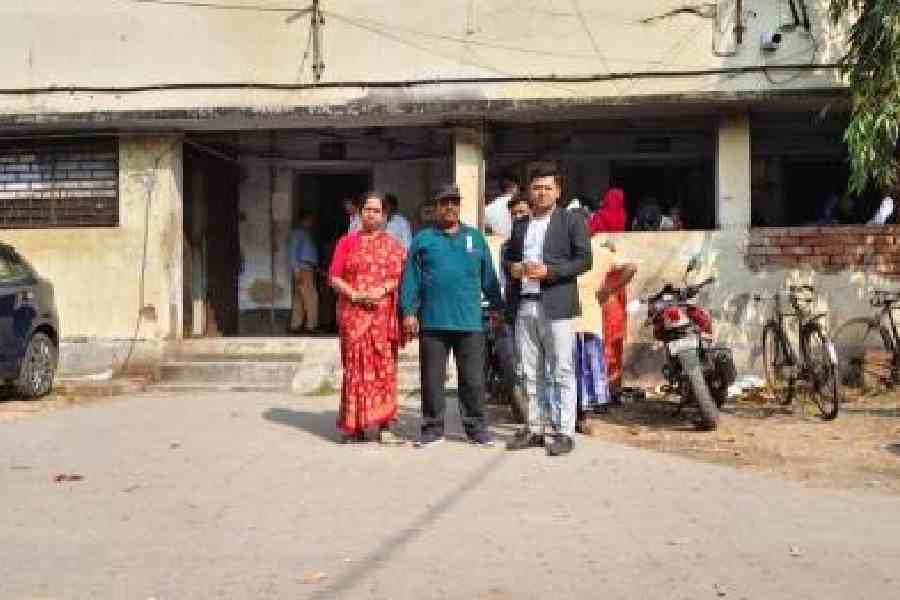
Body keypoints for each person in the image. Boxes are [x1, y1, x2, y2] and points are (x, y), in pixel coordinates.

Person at [400, 183, 502, 448]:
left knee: (473, 380)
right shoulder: (423, 239)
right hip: (433, 321)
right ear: (435, 208)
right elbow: (410, 278)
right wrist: (409, 312)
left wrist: (498, 307)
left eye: (454, 202)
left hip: (470, 321)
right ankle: (432, 428)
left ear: (459, 206)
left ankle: (477, 429)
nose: (450, 207)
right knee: (432, 379)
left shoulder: (475, 238)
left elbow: (489, 277)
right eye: (444, 202)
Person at [504, 164, 592, 456]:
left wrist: (550, 272)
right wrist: (513, 269)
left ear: (558, 191)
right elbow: (509, 259)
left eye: (547, 188)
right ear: (528, 191)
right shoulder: (521, 225)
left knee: (562, 369)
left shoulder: (571, 221)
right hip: (525, 305)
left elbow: (583, 261)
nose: (541, 193)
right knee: (530, 371)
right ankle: (535, 428)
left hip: (557, 305)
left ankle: (564, 432)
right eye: (536, 187)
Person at [329, 192, 406, 444]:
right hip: (354, 316)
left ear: (384, 215)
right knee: (355, 371)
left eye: (376, 210)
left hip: (381, 319)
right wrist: (355, 294)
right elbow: (334, 276)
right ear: (360, 213)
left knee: (384, 370)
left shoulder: (393, 246)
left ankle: (384, 426)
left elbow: (399, 277)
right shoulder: (346, 242)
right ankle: (356, 427)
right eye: (367, 209)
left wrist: (380, 291)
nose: (371, 214)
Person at [596, 253, 637, 400]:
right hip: (605, 312)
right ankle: (608, 393)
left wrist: (610, 289)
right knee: (608, 353)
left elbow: (631, 267)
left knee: (611, 353)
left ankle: (610, 393)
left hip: (611, 312)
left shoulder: (607, 258)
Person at [289, 213, 319, 333]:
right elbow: (293, 253)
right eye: (309, 220)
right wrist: (296, 270)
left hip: (305, 268)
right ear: (304, 220)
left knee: (299, 298)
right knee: (311, 297)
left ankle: (296, 324)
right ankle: (311, 325)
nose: (311, 223)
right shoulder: (299, 234)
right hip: (303, 269)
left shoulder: (305, 233)